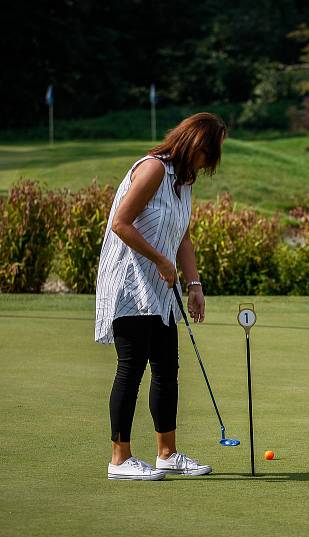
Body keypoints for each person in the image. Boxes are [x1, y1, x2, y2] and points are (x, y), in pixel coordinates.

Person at [95, 112, 226, 479]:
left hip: (161, 286)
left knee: (167, 370)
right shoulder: (153, 169)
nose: (208, 163)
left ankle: (166, 454)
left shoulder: (183, 181)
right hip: (130, 283)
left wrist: (194, 284)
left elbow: (182, 236)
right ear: (194, 145)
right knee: (131, 368)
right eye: (208, 154)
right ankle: (119, 459)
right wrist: (160, 260)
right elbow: (120, 222)